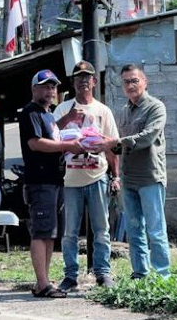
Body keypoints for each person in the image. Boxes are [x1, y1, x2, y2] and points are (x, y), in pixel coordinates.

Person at [53, 60, 120, 291]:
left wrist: (116, 176)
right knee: (70, 232)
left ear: (94, 81)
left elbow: (112, 146)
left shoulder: (103, 111)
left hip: (97, 177)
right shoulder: (63, 109)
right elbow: (50, 136)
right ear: (73, 82)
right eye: (78, 78)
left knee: (101, 229)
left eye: (87, 77)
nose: (83, 81)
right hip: (70, 180)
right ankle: (70, 275)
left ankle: (103, 272)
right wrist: (69, 118)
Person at [18, 69, 83, 298]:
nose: (50, 91)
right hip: (40, 181)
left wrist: (68, 120)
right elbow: (36, 143)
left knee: (49, 233)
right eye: (45, 86)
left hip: (54, 180)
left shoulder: (47, 114)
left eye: (53, 86)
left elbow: (53, 134)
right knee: (41, 232)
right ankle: (43, 283)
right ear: (34, 89)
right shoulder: (30, 112)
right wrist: (68, 146)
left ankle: (42, 282)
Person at [103, 63, 170, 279]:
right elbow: (118, 146)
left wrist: (116, 142)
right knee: (134, 230)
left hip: (150, 177)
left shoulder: (155, 107)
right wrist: (101, 144)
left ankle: (162, 277)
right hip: (129, 179)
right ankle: (140, 274)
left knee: (155, 230)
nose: (130, 85)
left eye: (134, 80)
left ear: (144, 82)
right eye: (126, 82)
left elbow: (147, 137)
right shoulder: (124, 111)